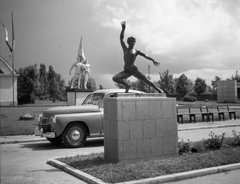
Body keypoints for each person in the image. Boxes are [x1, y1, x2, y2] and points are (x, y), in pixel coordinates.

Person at [112, 21, 164, 93]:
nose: (133, 43)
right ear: (129, 42)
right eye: (132, 41)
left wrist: (153, 60)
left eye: (134, 42)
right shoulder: (125, 49)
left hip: (133, 69)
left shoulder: (136, 51)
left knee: (145, 80)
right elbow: (121, 39)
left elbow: (145, 55)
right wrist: (123, 29)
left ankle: (158, 89)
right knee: (115, 78)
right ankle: (127, 85)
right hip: (126, 70)